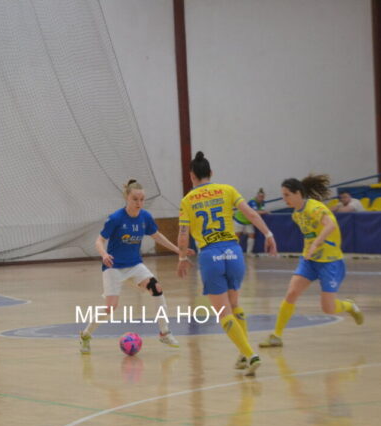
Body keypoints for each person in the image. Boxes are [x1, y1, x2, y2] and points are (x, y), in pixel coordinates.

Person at [177, 151, 278, 376]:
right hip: (233, 252)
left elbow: (183, 235)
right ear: (211, 173)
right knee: (234, 305)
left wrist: (182, 257)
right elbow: (251, 214)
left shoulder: (187, 201)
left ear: (191, 176)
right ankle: (244, 353)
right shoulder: (227, 190)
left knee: (223, 312)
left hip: (210, 255)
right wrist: (269, 234)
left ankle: (250, 354)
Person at [79, 180, 188, 354]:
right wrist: (104, 254)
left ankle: (164, 332)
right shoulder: (115, 218)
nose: (139, 203)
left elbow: (157, 236)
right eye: (135, 199)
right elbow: (99, 241)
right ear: (127, 198)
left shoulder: (145, 217)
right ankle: (85, 334)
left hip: (135, 265)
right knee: (110, 307)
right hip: (114, 267)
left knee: (157, 289)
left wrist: (178, 250)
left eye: (142, 199)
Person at [262, 174, 363, 348]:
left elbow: (330, 225)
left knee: (328, 308)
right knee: (291, 293)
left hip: (330, 261)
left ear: (298, 193)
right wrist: (310, 250)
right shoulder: (296, 214)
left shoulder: (314, 207)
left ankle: (349, 306)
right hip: (309, 261)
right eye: (283, 195)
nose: (284, 198)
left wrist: (316, 243)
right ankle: (276, 336)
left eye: (287, 195)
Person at [234, 188, 268, 255]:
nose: (261, 198)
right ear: (257, 196)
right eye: (260, 196)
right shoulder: (252, 202)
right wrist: (265, 212)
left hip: (248, 221)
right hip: (240, 220)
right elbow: (256, 212)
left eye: (263, 197)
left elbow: (261, 211)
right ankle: (235, 252)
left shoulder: (262, 203)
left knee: (252, 235)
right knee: (237, 236)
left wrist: (263, 212)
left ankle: (249, 252)